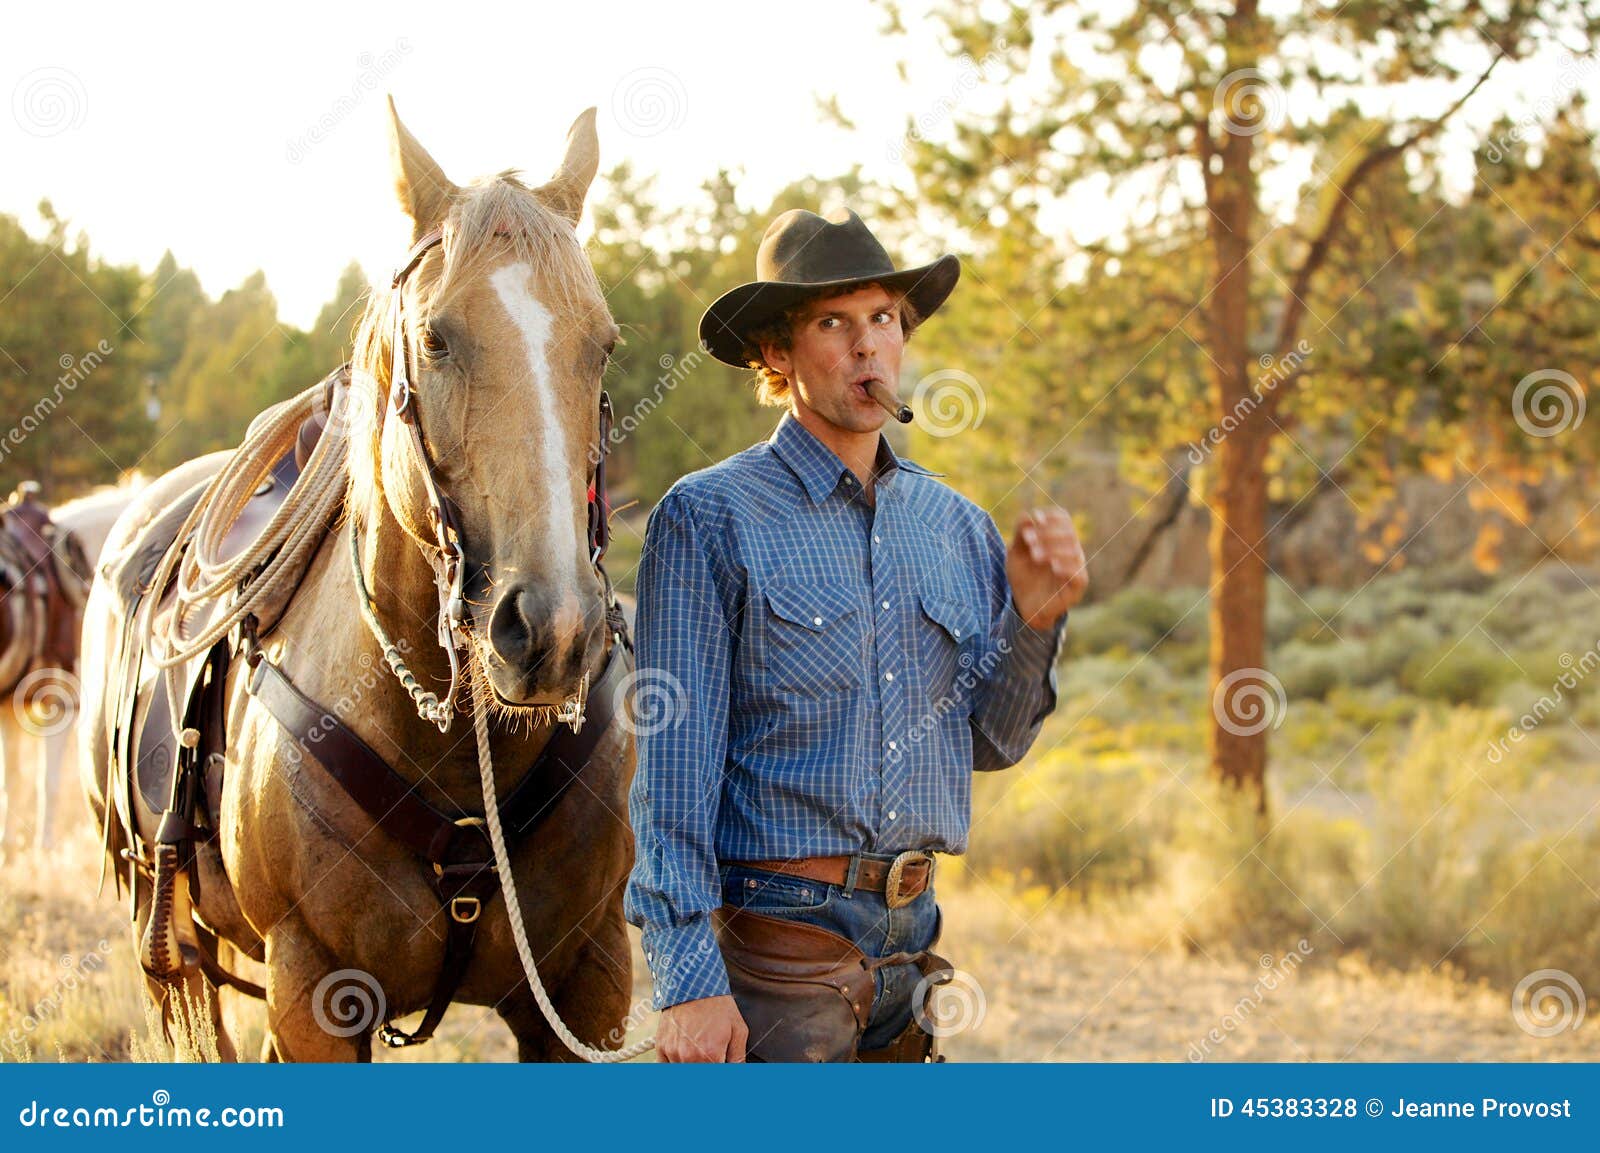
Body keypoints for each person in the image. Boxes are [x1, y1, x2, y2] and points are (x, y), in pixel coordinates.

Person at [623, 207, 1089, 1061]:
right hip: (778, 946)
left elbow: (990, 740)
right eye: (833, 322)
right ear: (776, 352)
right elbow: (673, 773)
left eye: (882, 318)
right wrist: (689, 978)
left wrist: (1033, 620)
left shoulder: (957, 527)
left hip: (913, 941)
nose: (867, 345)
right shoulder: (709, 517)